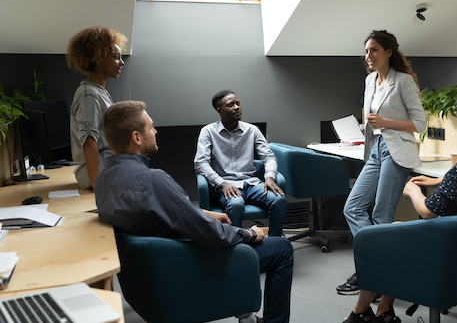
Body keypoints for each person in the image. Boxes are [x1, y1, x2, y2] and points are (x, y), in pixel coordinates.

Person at [343, 81, 457, 323]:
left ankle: (360, 312)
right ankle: (384, 310)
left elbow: (428, 211)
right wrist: (443, 179)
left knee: (383, 238)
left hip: (448, 254)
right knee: (395, 232)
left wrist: (412, 191)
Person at [95, 101, 293, 323]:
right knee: (282, 248)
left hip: (152, 270)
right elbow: (210, 235)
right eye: (151, 127)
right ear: (137, 138)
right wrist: (248, 234)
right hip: (188, 264)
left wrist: (203, 213)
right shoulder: (153, 180)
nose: (155, 131)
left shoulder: (103, 180)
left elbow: (159, 214)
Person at [337, 30, 427, 295]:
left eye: (374, 50)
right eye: (366, 51)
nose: (369, 56)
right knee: (352, 208)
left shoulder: (403, 82)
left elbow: (420, 124)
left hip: (397, 152)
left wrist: (386, 122)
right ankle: (376, 264)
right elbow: (369, 123)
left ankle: (374, 275)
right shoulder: (369, 81)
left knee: (380, 216)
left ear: (389, 52)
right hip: (376, 150)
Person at [194, 89, 287, 237]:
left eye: (238, 103)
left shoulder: (252, 130)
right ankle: (237, 248)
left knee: (278, 200)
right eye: (231, 105)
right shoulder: (208, 131)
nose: (237, 107)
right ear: (220, 111)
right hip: (225, 185)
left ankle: (275, 244)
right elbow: (200, 163)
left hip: (251, 184)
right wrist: (221, 183)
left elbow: (269, 157)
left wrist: (269, 177)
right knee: (236, 204)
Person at [66, 26, 127, 189]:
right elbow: (89, 142)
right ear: (98, 57)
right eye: (116, 57)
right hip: (101, 176)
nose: (121, 62)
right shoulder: (89, 94)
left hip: (108, 172)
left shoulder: (99, 92)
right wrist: (99, 189)